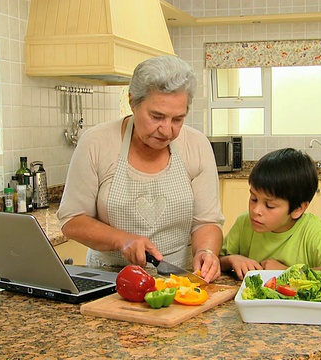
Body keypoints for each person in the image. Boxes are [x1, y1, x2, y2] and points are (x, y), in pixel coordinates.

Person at [57, 56, 224, 282]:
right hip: (109, 279)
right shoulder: (96, 143)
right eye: (157, 116)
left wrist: (207, 252)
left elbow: (206, 221)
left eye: (178, 119)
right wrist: (121, 240)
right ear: (132, 101)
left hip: (179, 279)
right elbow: (72, 220)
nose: (167, 130)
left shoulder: (196, 145)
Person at [219, 148, 321, 291]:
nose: (256, 210)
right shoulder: (244, 223)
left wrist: (288, 271)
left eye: (269, 205)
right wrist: (232, 259)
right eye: (253, 198)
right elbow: (216, 261)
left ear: (298, 209)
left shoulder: (313, 230)